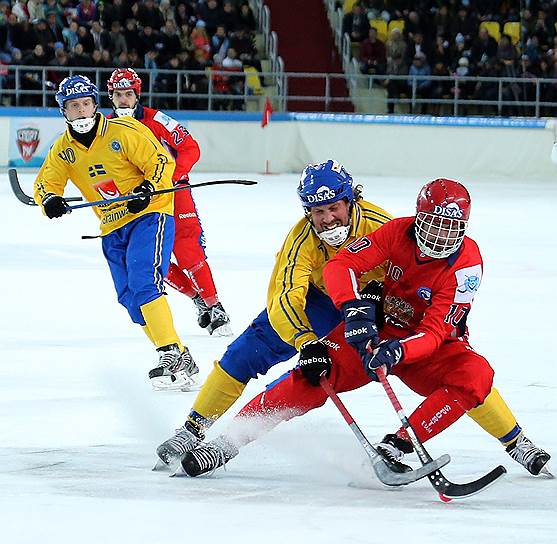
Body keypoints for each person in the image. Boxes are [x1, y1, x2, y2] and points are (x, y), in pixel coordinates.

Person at [178, 178, 551, 479]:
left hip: (426, 347)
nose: (441, 237)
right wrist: (353, 312)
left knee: (475, 376)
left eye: (451, 228)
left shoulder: (466, 266)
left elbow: (436, 332)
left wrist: (400, 351)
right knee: (313, 372)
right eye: (434, 225)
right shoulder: (395, 231)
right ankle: (227, 442)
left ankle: (407, 443)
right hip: (377, 329)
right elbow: (341, 267)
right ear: (418, 218)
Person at [154, 160, 393, 467]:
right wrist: (306, 341)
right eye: (319, 212)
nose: (328, 220)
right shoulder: (301, 238)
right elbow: (285, 295)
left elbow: (409, 271)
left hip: (375, 310)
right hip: (319, 301)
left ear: (350, 200)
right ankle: (192, 430)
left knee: (302, 384)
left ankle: (232, 441)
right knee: (244, 354)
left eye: (334, 208)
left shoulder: (381, 225)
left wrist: (383, 298)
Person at [33, 75, 199, 392]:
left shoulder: (125, 132)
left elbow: (160, 162)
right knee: (129, 298)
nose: (80, 112)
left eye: (84, 104)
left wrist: (148, 188)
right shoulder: (63, 149)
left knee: (144, 281)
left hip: (149, 215)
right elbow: (46, 182)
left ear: (96, 104)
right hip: (111, 227)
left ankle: (168, 356)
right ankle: (179, 353)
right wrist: (50, 200)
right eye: (72, 106)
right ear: (63, 111)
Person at [107, 68, 232, 337]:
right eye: (118, 95)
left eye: (129, 94)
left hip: (174, 193)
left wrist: (170, 177)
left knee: (188, 250)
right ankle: (198, 299)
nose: (124, 100)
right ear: (111, 97)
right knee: (147, 259)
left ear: (137, 94)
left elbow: (190, 147)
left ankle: (215, 304)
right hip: (137, 201)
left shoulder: (158, 119)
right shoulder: (105, 129)